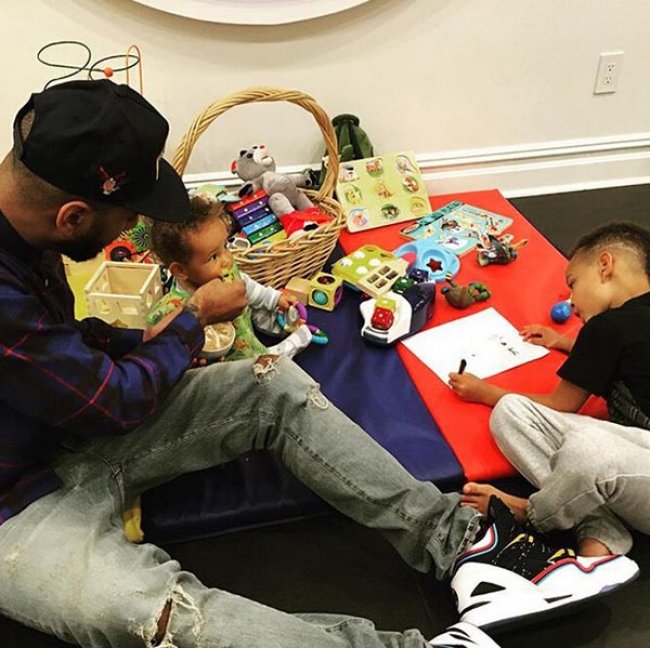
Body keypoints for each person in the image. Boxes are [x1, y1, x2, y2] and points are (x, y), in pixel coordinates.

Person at [0, 79, 638, 648]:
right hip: (17, 505)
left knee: (268, 382)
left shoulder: (33, 231)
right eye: (126, 217)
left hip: (72, 435)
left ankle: (468, 546)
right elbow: (113, 401)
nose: (133, 228)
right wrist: (191, 319)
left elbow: (62, 353)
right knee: (155, 614)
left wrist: (131, 337)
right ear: (73, 216)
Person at [449, 222, 650, 560]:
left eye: (573, 284)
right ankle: (601, 532)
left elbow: (561, 403)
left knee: (588, 448)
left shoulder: (607, 327)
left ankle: (534, 513)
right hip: (634, 459)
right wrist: (567, 343)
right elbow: (628, 352)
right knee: (512, 410)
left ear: (605, 266)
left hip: (626, 460)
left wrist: (484, 392)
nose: (571, 302)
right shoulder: (623, 326)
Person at [147, 192, 313, 361]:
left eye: (225, 246)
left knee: (254, 308)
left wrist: (274, 298)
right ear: (180, 271)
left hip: (245, 325)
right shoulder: (174, 311)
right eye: (213, 257)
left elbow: (246, 285)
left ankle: (264, 322)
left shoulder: (223, 270)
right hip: (234, 360)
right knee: (255, 363)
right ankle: (267, 357)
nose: (227, 259)